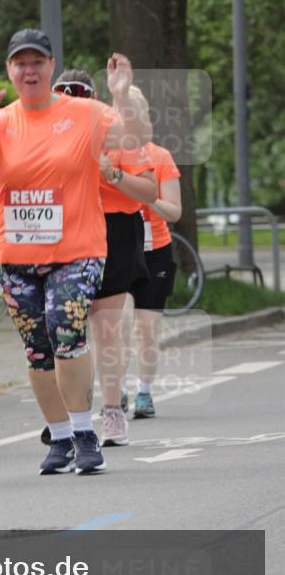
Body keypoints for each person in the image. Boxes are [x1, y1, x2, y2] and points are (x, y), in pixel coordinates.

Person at [0, 29, 147, 476]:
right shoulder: (2, 122)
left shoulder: (84, 113)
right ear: (9, 71)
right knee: (38, 350)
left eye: (37, 62)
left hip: (76, 252)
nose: (29, 70)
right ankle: (59, 437)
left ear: (51, 66)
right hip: (17, 257)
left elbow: (132, 144)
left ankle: (84, 432)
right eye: (20, 63)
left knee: (65, 332)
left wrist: (121, 97)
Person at [52, 73, 157, 450]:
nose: (71, 103)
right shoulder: (44, 132)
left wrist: (110, 173)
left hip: (114, 229)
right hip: (65, 229)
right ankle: (66, 419)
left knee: (107, 330)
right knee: (62, 331)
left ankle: (111, 409)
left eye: (79, 96)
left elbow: (149, 189)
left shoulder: (115, 130)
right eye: (62, 96)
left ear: (94, 99)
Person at [130, 106, 182, 419]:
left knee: (147, 328)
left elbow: (175, 212)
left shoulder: (160, 157)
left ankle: (144, 392)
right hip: (118, 251)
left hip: (155, 250)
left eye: (144, 119)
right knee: (114, 324)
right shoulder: (106, 157)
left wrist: (148, 197)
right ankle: (115, 391)